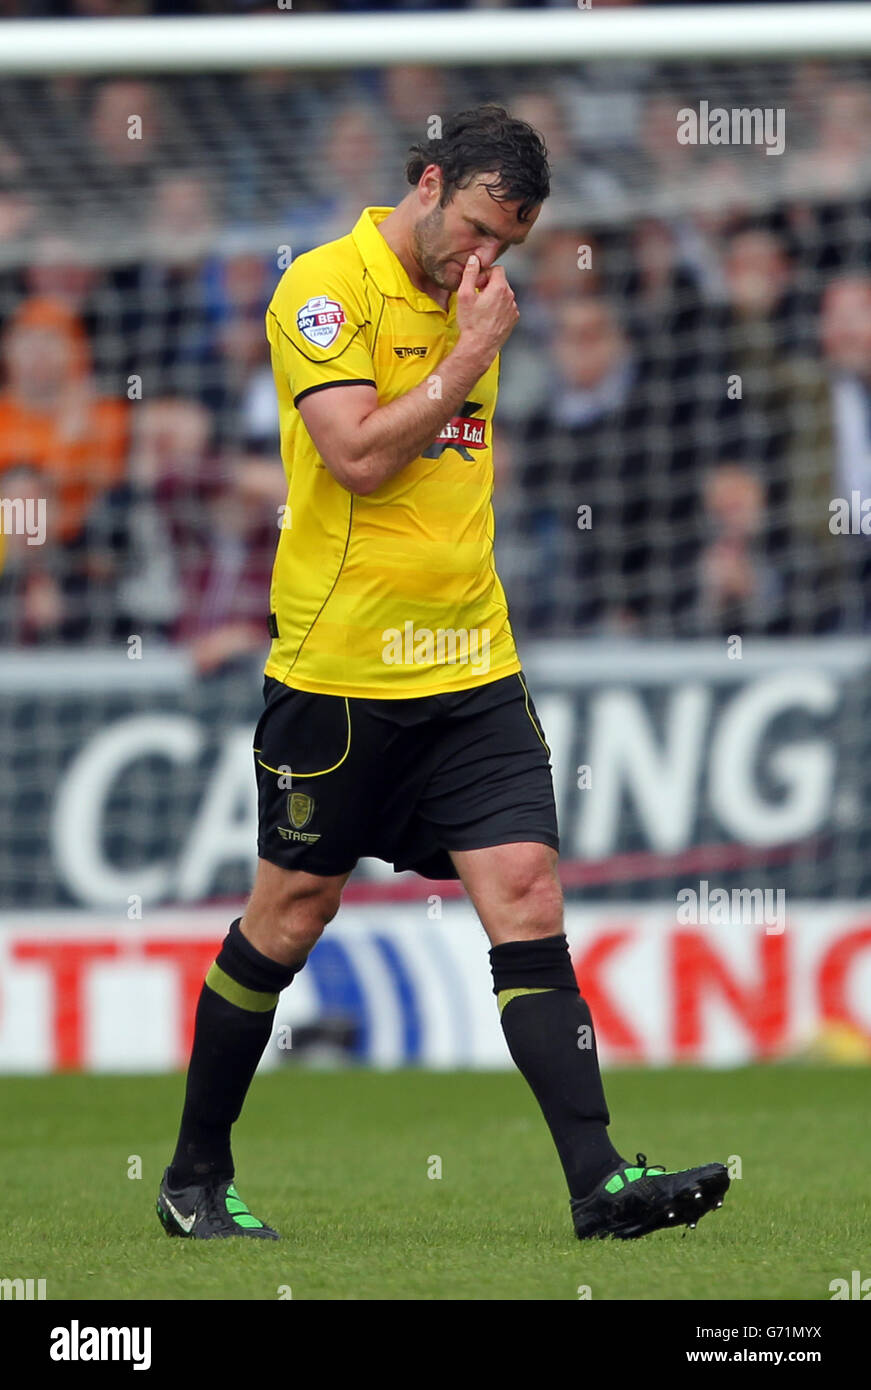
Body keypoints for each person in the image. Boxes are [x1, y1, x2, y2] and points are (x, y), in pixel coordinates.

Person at [157, 104, 729, 1244]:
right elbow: (359, 458)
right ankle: (191, 1176)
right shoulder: (323, 290)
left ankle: (597, 1184)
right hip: (340, 674)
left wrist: (476, 335)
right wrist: (472, 355)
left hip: (473, 667)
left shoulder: (484, 299)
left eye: (507, 247)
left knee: (526, 891)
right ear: (427, 183)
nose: (486, 261)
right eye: (474, 229)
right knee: (291, 912)